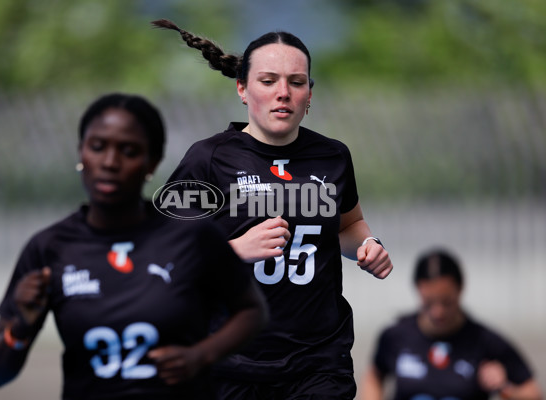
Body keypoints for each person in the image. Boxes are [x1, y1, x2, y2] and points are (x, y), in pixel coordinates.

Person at [152, 19, 394, 399]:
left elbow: (350, 225)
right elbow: (159, 254)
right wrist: (232, 252)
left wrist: (368, 247)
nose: (283, 92)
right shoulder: (209, 159)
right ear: (242, 89)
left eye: (296, 82)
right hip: (231, 361)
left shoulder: (333, 156)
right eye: (268, 81)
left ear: (309, 94)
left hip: (319, 361)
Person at [0, 93, 268, 400]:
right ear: (81, 152)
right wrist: (20, 329)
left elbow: (252, 311)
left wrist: (202, 355)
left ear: (152, 162)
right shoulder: (49, 248)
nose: (110, 162)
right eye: (97, 147)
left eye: (129, 151)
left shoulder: (194, 237)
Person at [361, 248, 543, 400]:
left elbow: (534, 394)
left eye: (447, 302)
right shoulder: (395, 336)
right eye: (429, 303)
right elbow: (374, 376)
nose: (438, 312)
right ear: (418, 290)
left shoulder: (485, 341)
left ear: (461, 288)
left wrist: (504, 388)